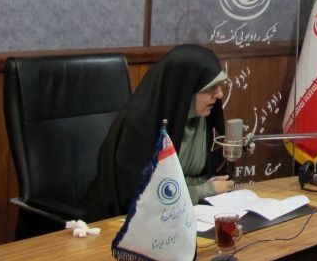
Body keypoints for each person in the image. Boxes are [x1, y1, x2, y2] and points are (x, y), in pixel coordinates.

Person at [86, 44, 235, 220]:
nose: (219, 95)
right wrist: (204, 190)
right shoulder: (140, 124)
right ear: (185, 89)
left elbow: (204, 177)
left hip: (185, 217)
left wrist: (194, 188)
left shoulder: (204, 118)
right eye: (211, 88)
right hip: (121, 224)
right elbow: (144, 198)